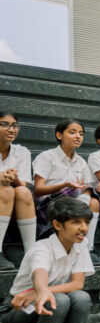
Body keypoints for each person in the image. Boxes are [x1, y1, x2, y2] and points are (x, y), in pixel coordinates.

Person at [2, 197, 94, 323]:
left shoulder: (80, 244)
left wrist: (41, 292)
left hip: (44, 303)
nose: (83, 228)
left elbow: (78, 283)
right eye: (76, 222)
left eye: (86, 222)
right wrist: (41, 289)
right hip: (16, 310)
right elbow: (39, 273)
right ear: (57, 225)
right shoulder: (41, 248)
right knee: (59, 300)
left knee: (82, 297)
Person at [32, 119, 100, 263]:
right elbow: (38, 189)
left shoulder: (81, 162)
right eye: (72, 132)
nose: (78, 136)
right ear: (59, 135)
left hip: (74, 202)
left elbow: (87, 188)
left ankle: (87, 249)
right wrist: (64, 185)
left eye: (81, 134)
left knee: (94, 201)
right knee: (76, 194)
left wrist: (95, 189)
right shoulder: (47, 157)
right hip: (49, 203)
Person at [0, 110, 37, 270]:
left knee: (23, 192)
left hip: (12, 203)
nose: (11, 129)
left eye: (14, 125)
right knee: (5, 190)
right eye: (4, 125)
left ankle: (31, 253)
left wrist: (12, 178)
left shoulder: (21, 151)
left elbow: (24, 184)